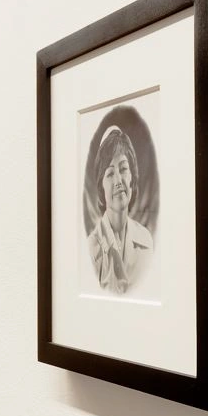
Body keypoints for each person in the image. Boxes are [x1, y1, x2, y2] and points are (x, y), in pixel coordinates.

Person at [87, 125, 153, 294]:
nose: (118, 180)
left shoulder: (146, 241)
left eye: (123, 169)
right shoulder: (91, 250)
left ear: (132, 176)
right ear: (101, 187)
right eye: (109, 174)